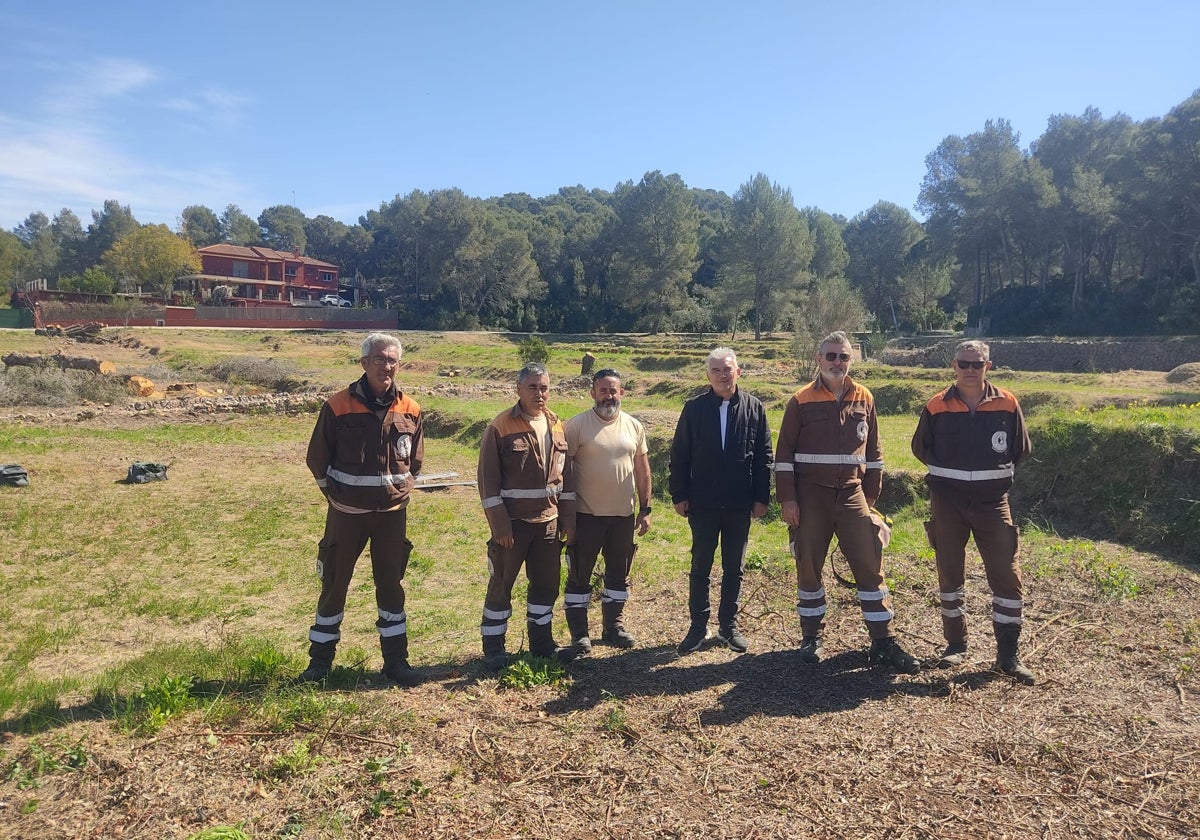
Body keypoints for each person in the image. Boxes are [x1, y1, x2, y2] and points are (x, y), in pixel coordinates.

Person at [775, 331, 920, 673]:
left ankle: (883, 641)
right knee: (809, 566)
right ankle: (811, 636)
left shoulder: (865, 397)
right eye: (831, 356)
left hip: (853, 495)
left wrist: (868, 500)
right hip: (812, 495)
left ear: (851, 360)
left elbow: (875, 453)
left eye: (843, 357)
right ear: (818, 359)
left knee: (870, 565)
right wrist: (788, 500)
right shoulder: (801, 400)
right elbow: (784, 456)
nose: (837, 362)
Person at [300, 333, 423, 687]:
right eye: (380, 359)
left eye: (392, 360)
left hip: (391, 517)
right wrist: (335, 497)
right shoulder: (338, 405)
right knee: (335, 583)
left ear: (399, 365)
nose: (386, 366)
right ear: (364, 363)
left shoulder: (411, 409)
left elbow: (415, 462)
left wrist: (401, 489)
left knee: (391, 586)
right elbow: (317, 459)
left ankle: (396, 662)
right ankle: (320, 664)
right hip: (346, 515)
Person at [911, 340, 1036, 684]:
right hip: (947, 502)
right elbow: (920, 448)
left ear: (988, 366)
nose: (969, 370)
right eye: (964, 364)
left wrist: (987, 477)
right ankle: (955, 644)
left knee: (1006, 575)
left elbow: (1020, 448)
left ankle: (1008, 656)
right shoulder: (936, 405)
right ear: (954, 365)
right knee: (950, 575)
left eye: (976, 364)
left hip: (992, 503)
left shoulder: (1008, 404)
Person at [669, 348, 772, 654]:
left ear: (738, 372)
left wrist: (761, 498)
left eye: (728, 369)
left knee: (734, 568)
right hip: (703, 502)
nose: (723, 375)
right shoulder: (694, 409)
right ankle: (698, 628)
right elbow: (680, 454)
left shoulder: (754, 408)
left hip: (740, 503)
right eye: (716, 370)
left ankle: (728, 626)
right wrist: (679, 495)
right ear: (708, 376)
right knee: (700, 566)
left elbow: (764, 457)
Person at [477, 362, 576, 670]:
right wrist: (500, 525)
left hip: (548, 524)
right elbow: (487, 481)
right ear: (518, 389)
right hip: (513, 526)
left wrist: (568, 520)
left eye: (544, 387)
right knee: (501, 585)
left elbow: (566, 479)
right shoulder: (501, 425)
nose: (539, 393)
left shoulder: (557, 425)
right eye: (532, 387)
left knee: (546, 585)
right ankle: (494, 649)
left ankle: (542, 644)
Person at [559, 368, 653, 653]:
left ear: (622, 393)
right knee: (579, 575)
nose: (609, 396)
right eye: (603, 390)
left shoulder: (634, 427)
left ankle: (614, 627)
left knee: (618, 575)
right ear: (593, 393)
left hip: (623, 516)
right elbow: (563, 471)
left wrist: (645, 508)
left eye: (614, 390)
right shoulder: (576, 426)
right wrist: (568, 515)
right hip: (586, 517)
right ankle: (580, 635)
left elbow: (642, 470)